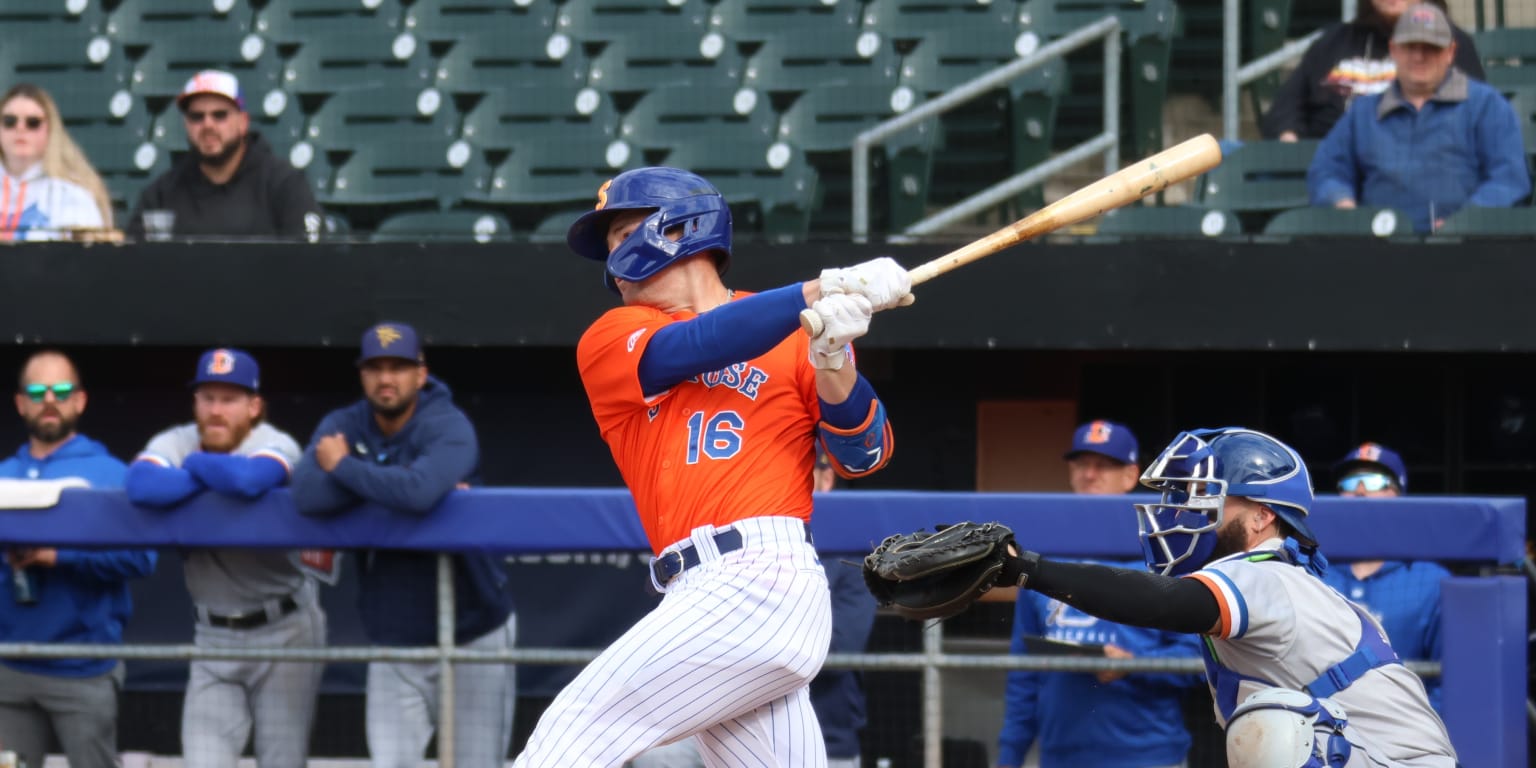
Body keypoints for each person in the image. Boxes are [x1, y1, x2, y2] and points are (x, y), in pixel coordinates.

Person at [513, 166, 905, 767]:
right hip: (698, 591)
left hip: (760, 579)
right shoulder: (614, 335)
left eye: (620, 236)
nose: (612, 260)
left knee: (570, 736)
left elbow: (864, 454)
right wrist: (813, 294)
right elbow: (699, 344)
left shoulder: (797, 333)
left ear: (680, 228)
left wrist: (834, 360)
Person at [960, 427, 1455, 766]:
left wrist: (1027, 569)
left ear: (1262, 516)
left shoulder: (1265, 575)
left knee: (1275, 731)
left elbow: (1164, 603)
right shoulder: (1285, 577)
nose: (1184, 513)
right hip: (1377, 751)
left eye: (1207, 499)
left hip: (1389, 757)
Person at [291, 322, 516, 768]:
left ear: (420, 373)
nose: (386, 378)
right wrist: (387, 480)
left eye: (398, 367)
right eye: (375, 368)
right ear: (362, 375)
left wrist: (344, 467)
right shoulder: (343, 423)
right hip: (394, 640)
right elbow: (307, 495)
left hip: (474, 632)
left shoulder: (447, 423)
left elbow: (419, 493)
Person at [122, 348, 323, 768]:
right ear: (195, 403)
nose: (216, 410)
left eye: (229, 399)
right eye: (207, 397)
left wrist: (194, 466)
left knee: (282, 761)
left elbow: (249, 480)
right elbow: (140, 485)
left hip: (285, 627)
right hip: (213, 635)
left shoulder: (274, 442)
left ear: (254, 407)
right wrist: (207, 471)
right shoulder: (175, 439)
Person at [628, 446, 880, 768]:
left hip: (825, 732)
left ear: (826, 478)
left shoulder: (849, 560)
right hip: (713, 716)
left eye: (796, 474)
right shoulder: (726, 548)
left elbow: (842, 647)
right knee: (660, 755)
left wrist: (741, 643)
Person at [998, 420, 1203, 768]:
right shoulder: (1044, 559)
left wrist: (1134, 666)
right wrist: (1009, 757)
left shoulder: (1164, 558)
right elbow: (1023, 674)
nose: (1090, 475)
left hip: (1146, 754)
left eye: (1104, 465)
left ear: (1130, 475)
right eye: (1081, 464)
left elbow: (1201, 659)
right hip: (1061, 754)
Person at [0, 350, 156, 768]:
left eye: (62, 390)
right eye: (37, 390)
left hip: (83, 666)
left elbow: (142, 558)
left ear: (80, 401)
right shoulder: (3, 474)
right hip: (8, 666)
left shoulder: (109, 473)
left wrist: (58, 556)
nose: (49, 399)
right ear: (20, 403)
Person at [1306, 3, 1530, 234]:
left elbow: (1508, 179)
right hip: (1376, 249)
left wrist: (1466, 221)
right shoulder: (1363, 112)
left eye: (1431, 48)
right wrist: (1342, 204)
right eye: (1410, 46)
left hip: (1465, 249)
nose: (1419, 56)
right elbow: (1327, 170)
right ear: (1394, 50)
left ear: (1451, 52)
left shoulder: (1487, 105)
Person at [1324, 442, 1450, 713]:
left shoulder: (1431, 579)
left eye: (1372, 481)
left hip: (1403, 735)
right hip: (1318, 732)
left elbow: (1452, 683)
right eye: (1350, 481)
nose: (1359, 490)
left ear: (1398, 493)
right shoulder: (1311, 571)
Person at [125, 70, 321, 241]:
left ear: (243, 122)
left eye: (220, 115)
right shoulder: (162, 193)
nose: (208, 125)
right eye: (197, 117)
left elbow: (312, 260)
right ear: (186, 125)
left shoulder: (283, 184)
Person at [1261, 0, 1483, 142]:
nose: (1419, 55)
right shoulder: (1334, 42)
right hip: (1323, 165)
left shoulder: (1445, 45)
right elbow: (1285, 108)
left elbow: (1470, 122)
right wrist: (1288, 139)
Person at [0, 84, 114, 241]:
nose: (20, 128)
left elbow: (87, 260)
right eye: (9, 121)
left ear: (50, 129)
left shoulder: (72, 197)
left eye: (33, 122)